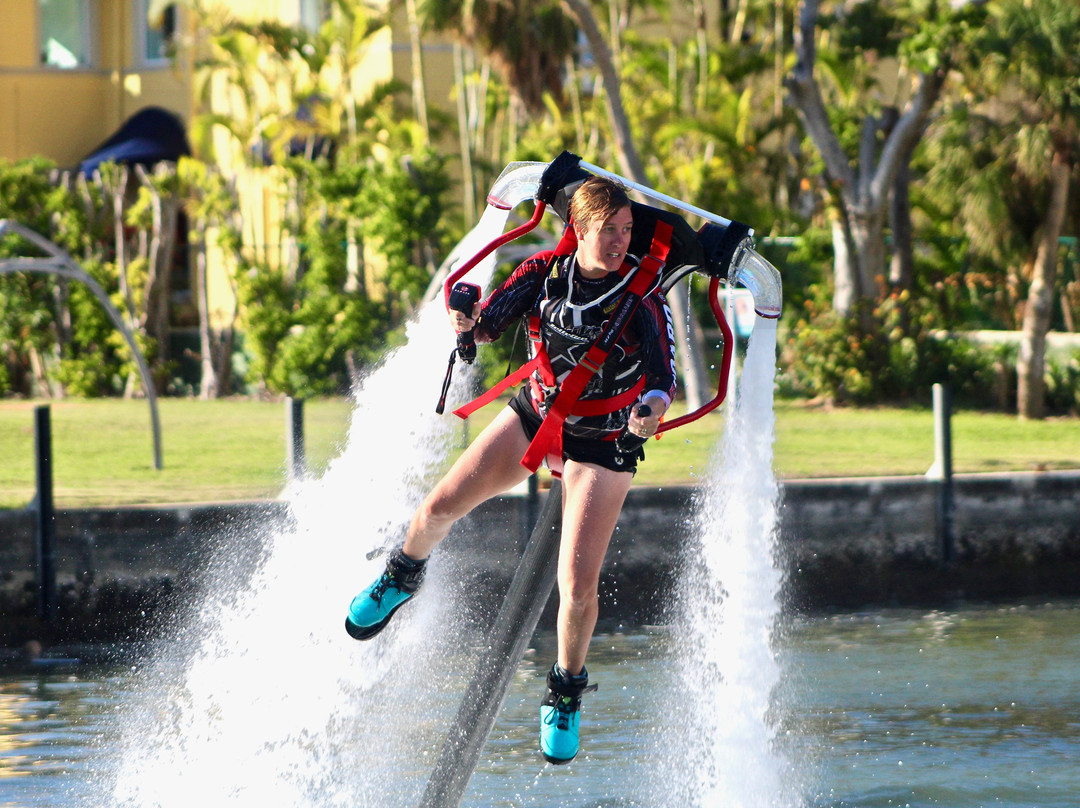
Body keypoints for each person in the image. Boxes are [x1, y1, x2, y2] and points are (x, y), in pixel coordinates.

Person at [344, 176, 676, 764]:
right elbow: (489, 325)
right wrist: (466, 322)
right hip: (536, 413)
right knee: (436, 508)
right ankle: (401, 578)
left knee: (575, 589)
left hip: (605, 442)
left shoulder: (644, 299)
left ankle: (565, 691)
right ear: (578, 230)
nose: (621, 242)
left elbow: (661, 380)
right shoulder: (542, 274)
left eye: (628, 231)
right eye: (609, 231)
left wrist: (649, 412)